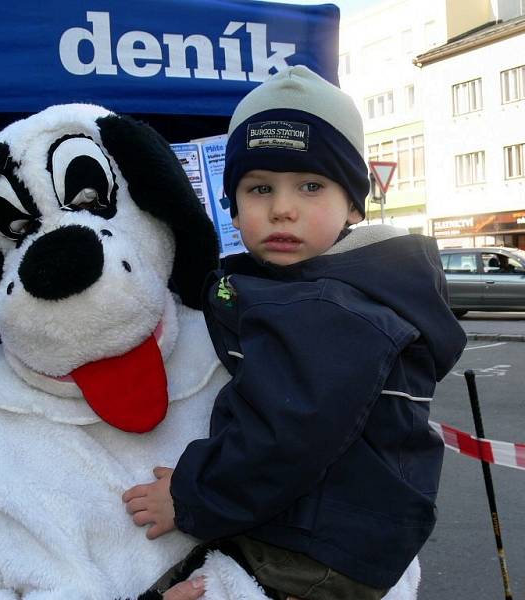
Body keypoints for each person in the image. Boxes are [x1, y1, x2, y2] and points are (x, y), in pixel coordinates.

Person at [123, 65, 467, 600]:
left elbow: (286, 434)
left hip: (320, 546)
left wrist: (192, 495)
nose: (283, 208)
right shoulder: (307, 284)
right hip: (318, 528)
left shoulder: (333, 305)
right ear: (233, 207)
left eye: (310, 186)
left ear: (353, 202)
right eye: (260, 187)